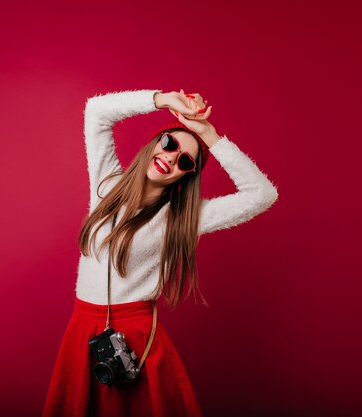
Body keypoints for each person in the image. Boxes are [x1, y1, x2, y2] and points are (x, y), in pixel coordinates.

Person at [41, 89, 279, 417]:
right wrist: (162, 100)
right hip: (83, 328)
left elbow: (261, 195)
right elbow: (97, 111)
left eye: (184, 160)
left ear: (185, 175)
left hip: (135, 337)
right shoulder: (107, 184)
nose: (171, 157)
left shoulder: (182, 218)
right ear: (156, 143)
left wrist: (210, 136)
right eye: (169, 143)